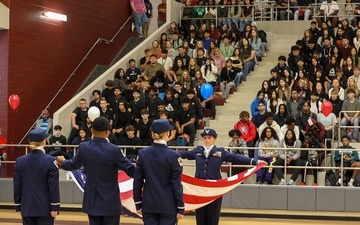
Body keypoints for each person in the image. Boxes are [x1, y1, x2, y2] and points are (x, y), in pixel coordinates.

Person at [178, 128, 267, 225]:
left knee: (213, 218)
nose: (207, 140)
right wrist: (167, 153)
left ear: (214, 139)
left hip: (215, 189)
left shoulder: (220, 152)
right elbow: (183, 154)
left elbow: (237, 158)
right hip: (200, 188)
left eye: (209, 137)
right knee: (200, 218)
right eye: (205, 138)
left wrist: (256, 161)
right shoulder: (197, 151)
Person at [56, 117, 135, 225]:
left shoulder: (84, 147)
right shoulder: (114, 150)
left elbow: (72, 165)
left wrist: (62, 161)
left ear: (92, 131)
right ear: (108, 132)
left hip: (92, 199)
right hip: (110, 201)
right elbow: (131, 170)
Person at [133, 119, 184, 225]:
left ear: (152, 133)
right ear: (168, 133)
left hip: (149, 204)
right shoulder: (174, 156)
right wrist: (180, 207)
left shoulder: (143, 153)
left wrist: (138, 203)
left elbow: (137, 181)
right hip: (168, 205)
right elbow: (176, 185)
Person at [14, 128, 60, 225]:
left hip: (27, 208)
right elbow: (53, 186)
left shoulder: (20, 161)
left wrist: (18, 206)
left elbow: (17, 185)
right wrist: (55, 206)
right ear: (44, 142)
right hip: (45, 209)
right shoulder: (50, 161)